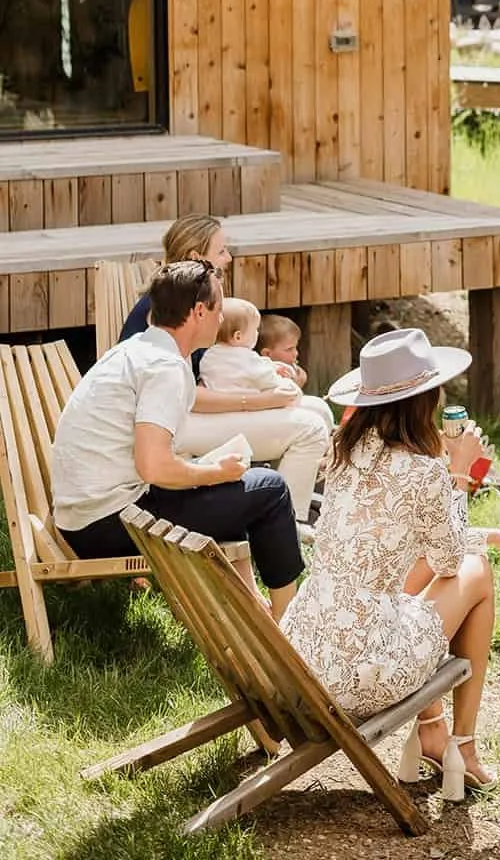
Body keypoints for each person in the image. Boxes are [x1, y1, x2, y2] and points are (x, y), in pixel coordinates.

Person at [281, 326, 500, 790]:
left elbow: (401, 543)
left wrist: (491, 533)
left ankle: (434, 733)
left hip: (306, 656)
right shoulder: (423, 472)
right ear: (423, 400)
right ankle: (463, 746)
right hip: (362, 676)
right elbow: (448, 562)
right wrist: (458, 472)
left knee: (409, 579)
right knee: (477, 573)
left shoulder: (343, 451)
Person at [52, 260, 303, 619]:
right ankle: (288, 626)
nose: (221, 318)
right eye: (218, 308)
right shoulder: (164, 367)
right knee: (271, 489)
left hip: (86, 516)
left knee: (241, 487)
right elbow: (153, 467)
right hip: (110, 525)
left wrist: (213, 474)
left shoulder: (137, 349)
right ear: (199, 311)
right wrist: (213, 473)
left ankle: (253, 608)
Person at [118, 214, 329, 523]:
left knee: (317, 410)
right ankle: (290, 520)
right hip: (170, 427)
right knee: (310, 426)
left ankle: (283, 495)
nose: (228, 258)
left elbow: (216, 369)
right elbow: (187, 396)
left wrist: (269, 373)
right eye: (221, 251)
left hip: (186, 415)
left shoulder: (182, 299)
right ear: (196, 257)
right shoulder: (172, 313)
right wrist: (259, 400)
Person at [198, 300, 334, 433]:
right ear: (238, 336)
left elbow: (240, 370)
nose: (257, 334)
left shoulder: (209, 356)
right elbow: (268, 380)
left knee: (318, 407)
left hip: (218, 411)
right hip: (247, 412)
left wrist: (272, 366)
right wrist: (290, 382)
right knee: (306, 407)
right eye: (255, 330)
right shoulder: (246, 357)